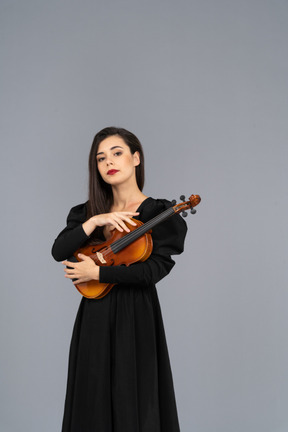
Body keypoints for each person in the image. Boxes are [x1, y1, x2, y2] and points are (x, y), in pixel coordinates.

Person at [51, 126, 188, 432]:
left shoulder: (159, 213)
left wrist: (97, 272)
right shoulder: (86, 214)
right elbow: (59, 250)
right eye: (100, 158)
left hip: (135, 314)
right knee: (92, 394)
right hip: (95, 315)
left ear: (135, 158)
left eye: (117, 153)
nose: (108, 162)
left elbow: (151, 272)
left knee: (133, 397)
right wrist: (96, 220)